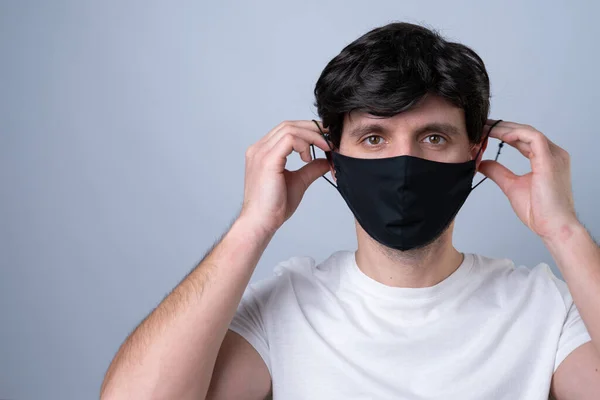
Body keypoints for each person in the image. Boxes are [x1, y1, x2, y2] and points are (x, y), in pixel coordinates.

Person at [100, 22, 600, 400]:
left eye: (433, 137)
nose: (404, 164)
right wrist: (253, 225)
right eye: (374, 138)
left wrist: (564, 232)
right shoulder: (286, 309)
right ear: (333, 159)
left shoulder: (545, 310)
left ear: (474, 153)